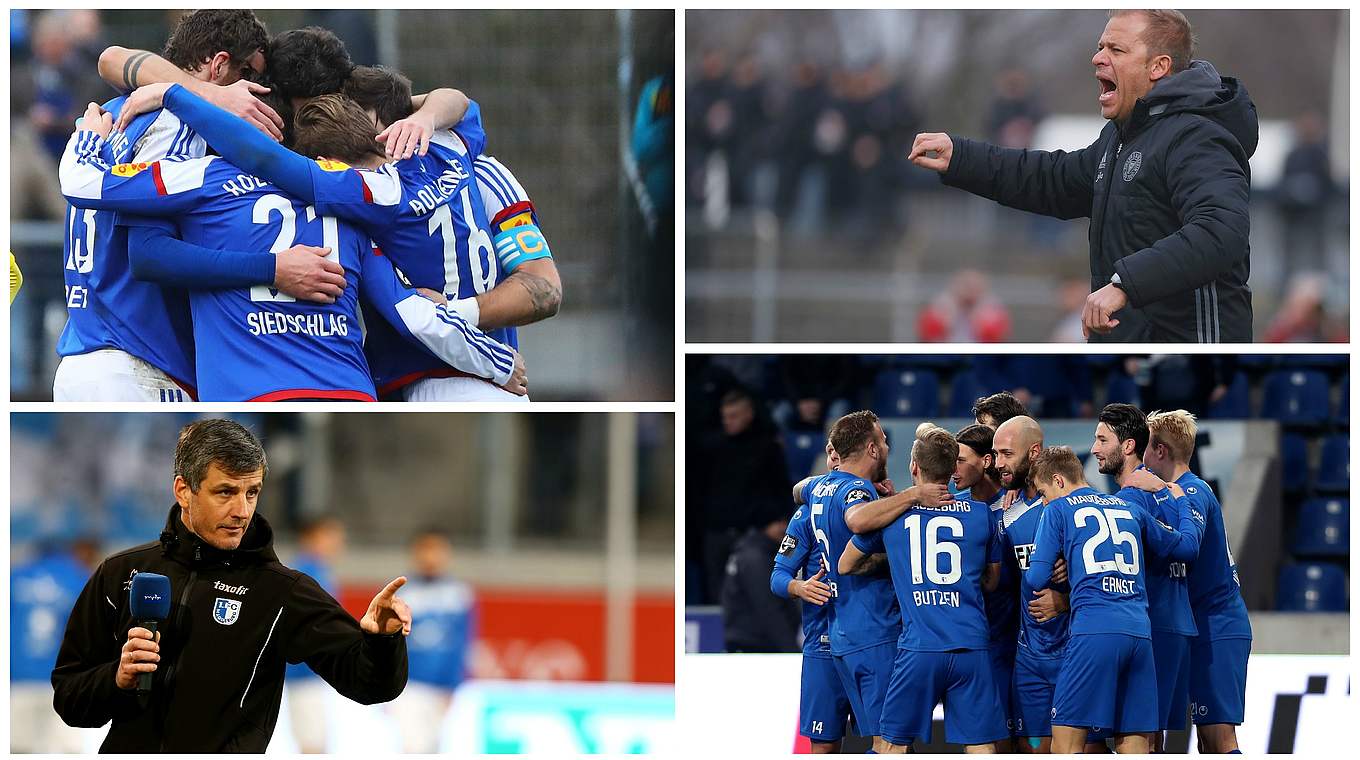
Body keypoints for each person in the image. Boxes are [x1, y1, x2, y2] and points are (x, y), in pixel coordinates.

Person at [120, 65, 562, 401]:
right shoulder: (463, 153)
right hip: (473, 380)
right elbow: (461, 101)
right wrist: (428, 117)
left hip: (439, 375)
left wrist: (180, 95)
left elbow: (266, 160)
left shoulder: (370, 192)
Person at [51, 419, 412, 752]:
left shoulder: (283, 591)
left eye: (251, 493)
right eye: (225, 492)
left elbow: (369, 685)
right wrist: (116, 678)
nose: (242, 510)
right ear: (183, 490)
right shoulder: (120, 573)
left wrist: (382, 641)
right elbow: (69, 699)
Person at [910, 10, 1256, 343]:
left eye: (1116, 49)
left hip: (1194, 358)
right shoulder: (1120, 137)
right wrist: (963, 157)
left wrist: (1125, 284)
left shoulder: (1197, 136)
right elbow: (1051, 179)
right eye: (1100, 47)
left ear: (1158, 66)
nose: (1098, 58)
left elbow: (1220, 232)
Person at [50, 10, 314, 401]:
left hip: (85, 356)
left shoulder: (110, 111)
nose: (259, 90)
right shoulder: (179, 125)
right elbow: (148, 251)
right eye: (251, 75)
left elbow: (111, 58)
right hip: (137, 365)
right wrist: (272, 269)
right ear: (221, 65)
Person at [839, 424, 1008, 753]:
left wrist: (902, 564)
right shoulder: (982, 515)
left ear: (914, 467)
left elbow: (846, 565)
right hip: (972, 646)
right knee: (982, 749)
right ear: (950, 470)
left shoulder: (892, 517)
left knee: (891, 747)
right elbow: (991, 580)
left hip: (920, 649)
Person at [1024, 446, 1203, 753]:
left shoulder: (1057, 510)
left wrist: (1063, 559)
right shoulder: (1128, 509)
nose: (1043, 500)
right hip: (1139, 635)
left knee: (1065, 746)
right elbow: (1187, 547)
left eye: (1043, 492)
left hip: (1093, 633)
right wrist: (1182, 502)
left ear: (1059, 481)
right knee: (1134, 746)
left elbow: (1036, 579)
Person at [1090, 403, 1204, 749]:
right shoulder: (1170, 492)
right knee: (1154, 740)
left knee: (1130, 739)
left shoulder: (1126, 502)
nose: (1094, 449)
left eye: (1102, 439)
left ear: (1127, 446)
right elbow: (1191, 542)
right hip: (1179, 624)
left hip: (1148, 626)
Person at [1143, 410, 1251, 754]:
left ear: (1159, 451)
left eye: (1145, 447)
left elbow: (1187, 547)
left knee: (1219, 738)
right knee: (1205, 740)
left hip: (1217, 627)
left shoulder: (1192, 493)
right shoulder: (1177, 492)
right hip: (1196, 625)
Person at [804, 411, 902, 753]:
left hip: (842, 630)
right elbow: (857, 519)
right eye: (884, 440)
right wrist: (913, 496)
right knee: (890, 743)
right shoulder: (857, 489)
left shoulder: (820, 486)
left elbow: (797, 489)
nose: (888, 445)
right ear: (873, 450)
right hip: (873, 628)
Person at [772, 444, 853, 753]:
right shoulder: (806, 514)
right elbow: (778, 576)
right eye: (829, 452)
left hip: (869, 642)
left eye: (839, 452)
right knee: (824, 745)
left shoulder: (878, 506)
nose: (833, 458)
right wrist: (799, 587)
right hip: (823, 644)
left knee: (889, 741)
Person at [955, 423, 1018, 750]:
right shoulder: (956, 509)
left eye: (962, 459)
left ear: (987, 461)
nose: (954, 468)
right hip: (977, 640)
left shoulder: (1016, 508)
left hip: (1013, 642)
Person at [388, 528, 477, 753]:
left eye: (437, 550)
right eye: (425, 550)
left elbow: (463, 644)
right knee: (413, 747)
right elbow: (385, 641)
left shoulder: (459, 594)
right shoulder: (399, 594)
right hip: (408, 686)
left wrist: (454, 684)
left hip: (440, 687)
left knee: (432, 748)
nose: (431, 557)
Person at [11, 539, 96, 752]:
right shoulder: (76, 577)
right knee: (68, 750)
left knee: (17, 749)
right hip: (62, 682)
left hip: (18, 680)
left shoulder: (15, 577)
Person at [285, 517, 347, 753]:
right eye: (331, 536)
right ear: (312, 537)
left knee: (315, 741)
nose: (338, 543)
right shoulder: (306, 575)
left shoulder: (318, 571)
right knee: (313, 745)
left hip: (311, 673)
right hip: (305, 672)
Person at [722, 514, 801, 653]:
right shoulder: (755, 558)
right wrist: (790, 650)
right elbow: (768, 608)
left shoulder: (748, 550)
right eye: (779, 522)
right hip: (754, 644)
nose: (785, 527)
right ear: (765, 525)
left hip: (748, 640)